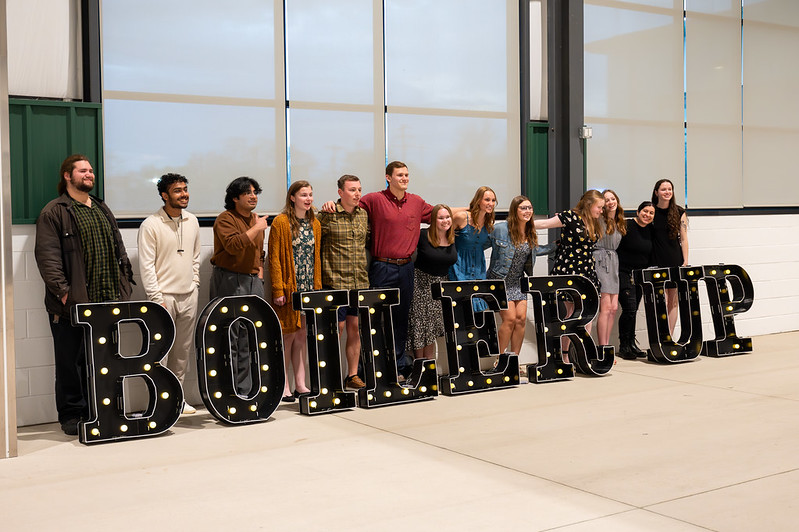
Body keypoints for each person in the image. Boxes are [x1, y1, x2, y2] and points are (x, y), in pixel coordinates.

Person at [34, 154, 135, 436]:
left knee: (103, 361)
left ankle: (98, 411)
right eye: (82, 171)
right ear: (67, 176)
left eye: (90, 170)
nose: (89, 174)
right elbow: (48, 259)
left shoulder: (102, 208)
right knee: (71, 362)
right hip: (72, 306)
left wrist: (125, 284)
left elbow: (119, 248)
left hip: (107, 302)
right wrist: (66, 296)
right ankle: (71, 415)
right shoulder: (54, 212)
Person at [329, 161, 432, 378]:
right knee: (371, 321)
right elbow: (349, 204)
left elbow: (441, 213)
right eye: (399, 175)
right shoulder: (374, 199)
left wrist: (472, 208)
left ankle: (397, 367)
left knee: (400, 320)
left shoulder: (416, 201)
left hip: (406, 268)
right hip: (381, 267)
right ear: (388, 177)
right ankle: (371, 369)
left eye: (406, 175)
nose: (404, 178)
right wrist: (331, 203)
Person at [137, 173, 201, 414]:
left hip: (188, 296)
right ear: (164, 195)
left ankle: (177, 398)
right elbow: (146, 266)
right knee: (159, 354)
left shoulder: (193, 221)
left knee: (182, 353)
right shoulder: (150, 225)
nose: (184, 194)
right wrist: (156, 299)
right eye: (177, 191)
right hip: (162, 298)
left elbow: (195, 257)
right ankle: (157, 402)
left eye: (185, 189)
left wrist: (194, 283)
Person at [210, 177, 269, 396]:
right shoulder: (226, 219)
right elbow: (234, 246)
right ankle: (228, 390)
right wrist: (257, 228)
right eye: (248, 193)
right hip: (230, 279)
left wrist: (259, 275)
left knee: (250, 336)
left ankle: (245, 390)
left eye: (255, 192)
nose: (254, 196)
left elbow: (258, 252)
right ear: (235, 198)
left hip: (253, 281)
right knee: (229, 336)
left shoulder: (256, 220)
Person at [534, 189, 605, 361]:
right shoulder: (569, 217)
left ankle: (584, 352)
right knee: (570, 313)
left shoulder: (595, 222)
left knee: (588, 311)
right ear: (589, 205)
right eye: (599, 207)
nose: (601, 211)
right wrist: (517, 222)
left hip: (587, 270)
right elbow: (543, 225)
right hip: (569, 269)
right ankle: (564, 354)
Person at [268, 180, 321, 402]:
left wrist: (317, 288)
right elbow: (275, 259)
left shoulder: (315, 223)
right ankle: (284, 384)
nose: (308, 199)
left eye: (310, 195)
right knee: (287, 336)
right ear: (292, 198)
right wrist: (278, 289)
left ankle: (300, 383)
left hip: (309, 286)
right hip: (290, 288)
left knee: (302, 336)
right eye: (303, 195)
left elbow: (316, 257)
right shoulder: (281, 223)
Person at [317, 175, 370, 391]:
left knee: (355, 328)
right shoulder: (326, 215)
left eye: (359, 189)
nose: (357, 194)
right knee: (336, 329)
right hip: (335, 281)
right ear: (340, 193)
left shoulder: (363, 215)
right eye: (352, 190)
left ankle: (352, 376)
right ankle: (329, 377)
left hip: (358, 281)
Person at [487, 196, 554, 356]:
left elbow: (535, 250)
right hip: (500, 281)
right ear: (514, 210)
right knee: (509, 319)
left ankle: (514, 359)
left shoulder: (530, 231)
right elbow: (481, 244)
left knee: (521, 320)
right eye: (523, 208)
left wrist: (555, 246)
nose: (528, 211)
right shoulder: (501, 229)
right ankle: (500, 359)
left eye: (530, 208)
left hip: (518, 282)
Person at [406, 204, 457, 360]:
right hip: (420, 285)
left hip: (440, 287)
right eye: (440, 218)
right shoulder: (422, 235)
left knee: (432, 330)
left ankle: (430, 367)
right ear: (433, 220)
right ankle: (419, 367)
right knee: (420, 329)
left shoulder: (452, 238)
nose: (445, 221)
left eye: (447, 217)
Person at [616, 201, 655, 359]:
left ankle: (632, 343)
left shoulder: (651, 231)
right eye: (645, 211)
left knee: (633, 311)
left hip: (640, 275)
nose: (647, 215)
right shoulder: (626, 225)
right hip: (623, 272)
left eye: (651, 213)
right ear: (638, 211)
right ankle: (624, 345)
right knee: (629, 309)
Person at [650, 178, 689, 334]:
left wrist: (685, 262)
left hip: (674, 259)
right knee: (659, 300)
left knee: (673, 301)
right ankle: (659, 335)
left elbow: (684, 239)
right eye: (663, 189)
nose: (667, 192)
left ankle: (670, 336)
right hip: (655, 260)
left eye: (669, 189)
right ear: (656, 192)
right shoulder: (650, 210)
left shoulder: (679, 212)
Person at [449, 186, 496, 312]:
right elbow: (446, 239)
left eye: (493, 200)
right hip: (459, 265)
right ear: (478, 200)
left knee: (478, 305)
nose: (490, 203)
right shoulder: (461, 217)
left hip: (478, 266)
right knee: (460, 307)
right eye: (487, 200)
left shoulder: (488, 222)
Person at [593, 189, 626, 347]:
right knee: (605, 307)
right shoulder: (598, 219)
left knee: (613, 308)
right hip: (600, 261)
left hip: (613, 263)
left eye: (613, 198)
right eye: (606, 200)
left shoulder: (619, 221)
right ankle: (602, 347)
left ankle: (607, 346)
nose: (610, 202)